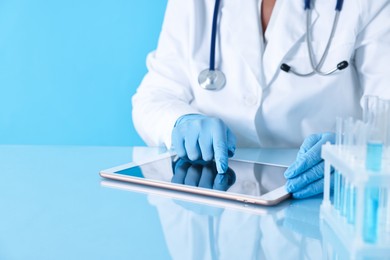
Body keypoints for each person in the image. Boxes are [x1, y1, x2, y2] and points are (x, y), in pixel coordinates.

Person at [132, 0, 390, 198]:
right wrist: (180, 121)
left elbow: (385, 108)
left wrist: (355, 152)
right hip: (214, 202)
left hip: (319, 199)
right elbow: (155, 95)